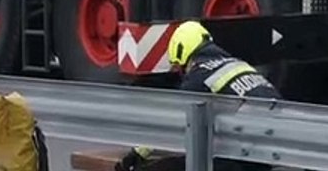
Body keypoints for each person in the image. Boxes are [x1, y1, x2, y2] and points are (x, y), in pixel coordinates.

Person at [115, 21, 279, 171]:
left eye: (180, 68)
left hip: (242, 158)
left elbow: (171, 122)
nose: (183, 73)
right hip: (269, 152)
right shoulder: (239, 64)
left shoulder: (201, 75)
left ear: (183, 53)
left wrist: (137, 154)